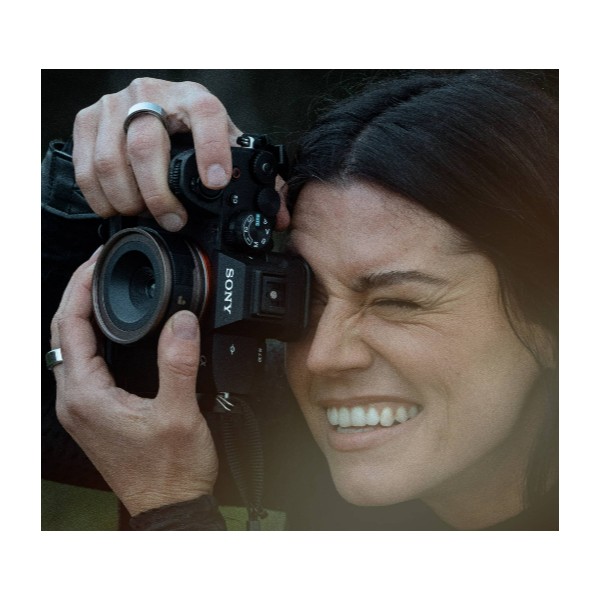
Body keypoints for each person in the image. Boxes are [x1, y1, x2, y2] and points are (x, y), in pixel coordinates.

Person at [42, 70, 558, 530]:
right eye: (305, 297)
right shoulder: (296, 442)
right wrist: (103, 187)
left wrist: (170, 508)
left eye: (397, 304)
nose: (323, 358)